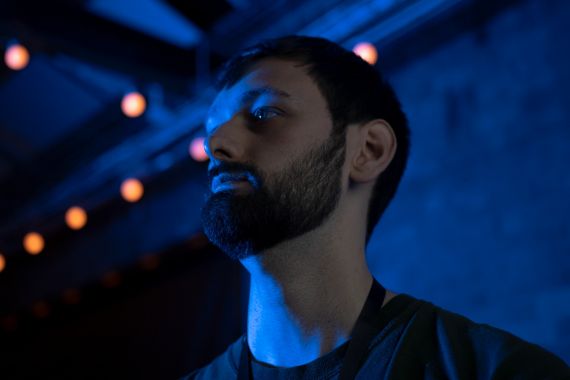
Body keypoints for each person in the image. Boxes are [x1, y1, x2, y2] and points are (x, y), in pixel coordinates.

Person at [182, 36, 570, 379]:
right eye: (212, 128)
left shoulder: (500, 372)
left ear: (368, 151)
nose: (217, 143)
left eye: (265, 112)